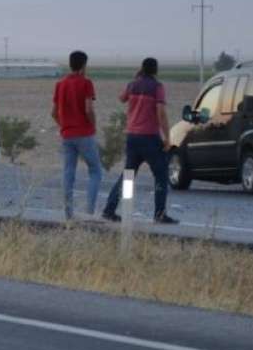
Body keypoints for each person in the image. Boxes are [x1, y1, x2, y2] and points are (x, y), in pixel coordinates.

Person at [101, 57, 178, 224]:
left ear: (142, 68)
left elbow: (122, 98)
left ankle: (110, 209)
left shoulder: (133, 84)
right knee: (161, 175)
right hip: (150, 137)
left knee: (128, 175)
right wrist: (167, 137)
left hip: (132, 138)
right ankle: (159, 213)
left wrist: (136, 80)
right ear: (156, 70)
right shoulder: (157, 87)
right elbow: (161, 113)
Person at [51, 50, 103, 220]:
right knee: (95, 170)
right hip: (84, 133)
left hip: (67, 135)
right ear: (83, 65)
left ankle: (68, 213)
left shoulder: (60, 84)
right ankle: (89, 212)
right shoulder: (86, 83)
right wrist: (93, 126)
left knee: (68, 172)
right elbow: (89, 109)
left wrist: (64, 126)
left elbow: (53, 112)